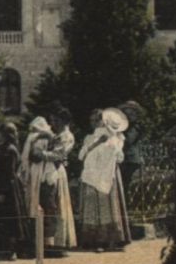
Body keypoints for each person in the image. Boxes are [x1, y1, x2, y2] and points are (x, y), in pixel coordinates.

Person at [77, 107, 131, 251]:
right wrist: (96, 143)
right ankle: (94, 241)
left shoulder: (116, 138)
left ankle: (110, 240)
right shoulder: (89, 138)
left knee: (107, 207)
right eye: (92, 120)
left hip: (108, 174)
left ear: (104, 121)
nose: (94, 123)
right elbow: (81, 156)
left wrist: (112, 148)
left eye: (97, 120)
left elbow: (120, 158)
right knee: (93, 208)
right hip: (91, 175)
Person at [18, 116, 58, 253]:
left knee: (47, 206)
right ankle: (40, 241)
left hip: (46, 175)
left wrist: (42, 152)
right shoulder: (35, 138)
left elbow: (57, 156)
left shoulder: (48, 138)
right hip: (37, 174)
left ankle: (48, 241)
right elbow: (33, 155)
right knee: (39, 206)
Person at [0, 122, 26, 256]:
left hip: (8, 187)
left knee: (11, 218)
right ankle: (3, 248)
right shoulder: (3, 148)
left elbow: (8, 173)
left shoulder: (10, 150)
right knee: (3, 217)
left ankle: (13, 250)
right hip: (2, 184)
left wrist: (2, 192)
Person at [47, 108, 79, 250]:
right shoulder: (57, 135)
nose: (52, 124)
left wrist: (40, 154)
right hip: (51, 169)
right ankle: (52, 240)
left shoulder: (66, 136)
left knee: (58, 204)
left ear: (62, 121)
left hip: (57, 170)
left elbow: (58, 154)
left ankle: (60, 241)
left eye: (55, 120)